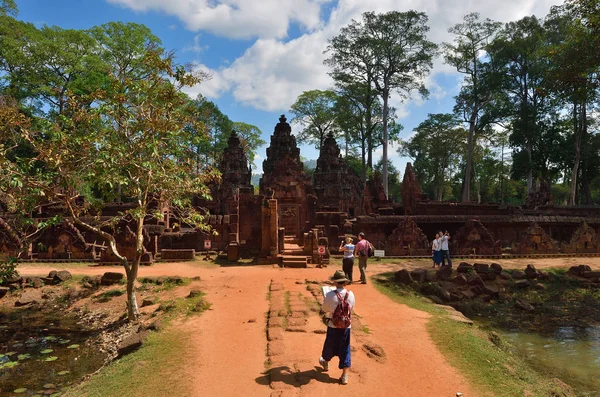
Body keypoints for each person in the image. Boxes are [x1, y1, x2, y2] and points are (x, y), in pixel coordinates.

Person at [319, 270, 355, 385]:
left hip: (333, 325)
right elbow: (352, 308)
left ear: (335, 282)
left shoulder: (330, 295)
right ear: (344, 282)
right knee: (345, 348)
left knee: (330, 345)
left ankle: (326, 362)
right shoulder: (351, 294)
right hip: (346, 327)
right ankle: (344, 375)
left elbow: (325, 309)